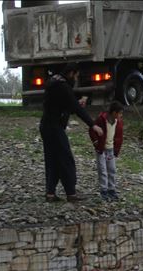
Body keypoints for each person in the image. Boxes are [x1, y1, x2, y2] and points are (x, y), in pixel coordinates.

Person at [40, 63, 103, 202]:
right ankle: (71, 193)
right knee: (66, 159)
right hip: (54, 127)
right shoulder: (63, 87)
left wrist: (75, 103)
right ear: (71, 73)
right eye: (76, 75)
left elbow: (64, 104)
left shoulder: (54, 82)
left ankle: (50, 193)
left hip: (46, 126)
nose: (76, 79)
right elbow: (75, 108)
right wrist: (93, 125)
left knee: (52, 160)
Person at [89, 100, 125, 201]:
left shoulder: (119, 122)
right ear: (114, 113)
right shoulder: (101, 119)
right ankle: (103, 190)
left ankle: (111, 189)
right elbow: (92, 130)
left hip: (111, 150)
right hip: (101, 149)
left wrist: (116, 150)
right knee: (103, 170)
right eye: (120, 113)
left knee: (112, 169)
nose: (121, 115)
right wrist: (96, 142)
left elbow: (119, 136)